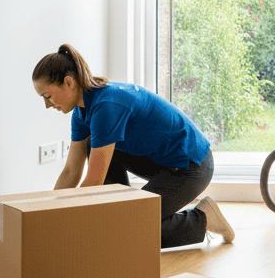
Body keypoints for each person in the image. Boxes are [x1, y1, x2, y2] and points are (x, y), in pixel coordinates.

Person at [31, 44, 234, 247]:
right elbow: (70, 171)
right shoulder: (81, 112)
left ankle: (204, 217)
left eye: (48, 96)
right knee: (92, 142)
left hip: (192, 166)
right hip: (160, 162)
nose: (47, 105)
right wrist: (50, 211)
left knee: (128, 230)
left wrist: (63, 222)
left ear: (68, 83)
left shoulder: (106, 107)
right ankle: (117, 211)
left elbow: (93, 181)